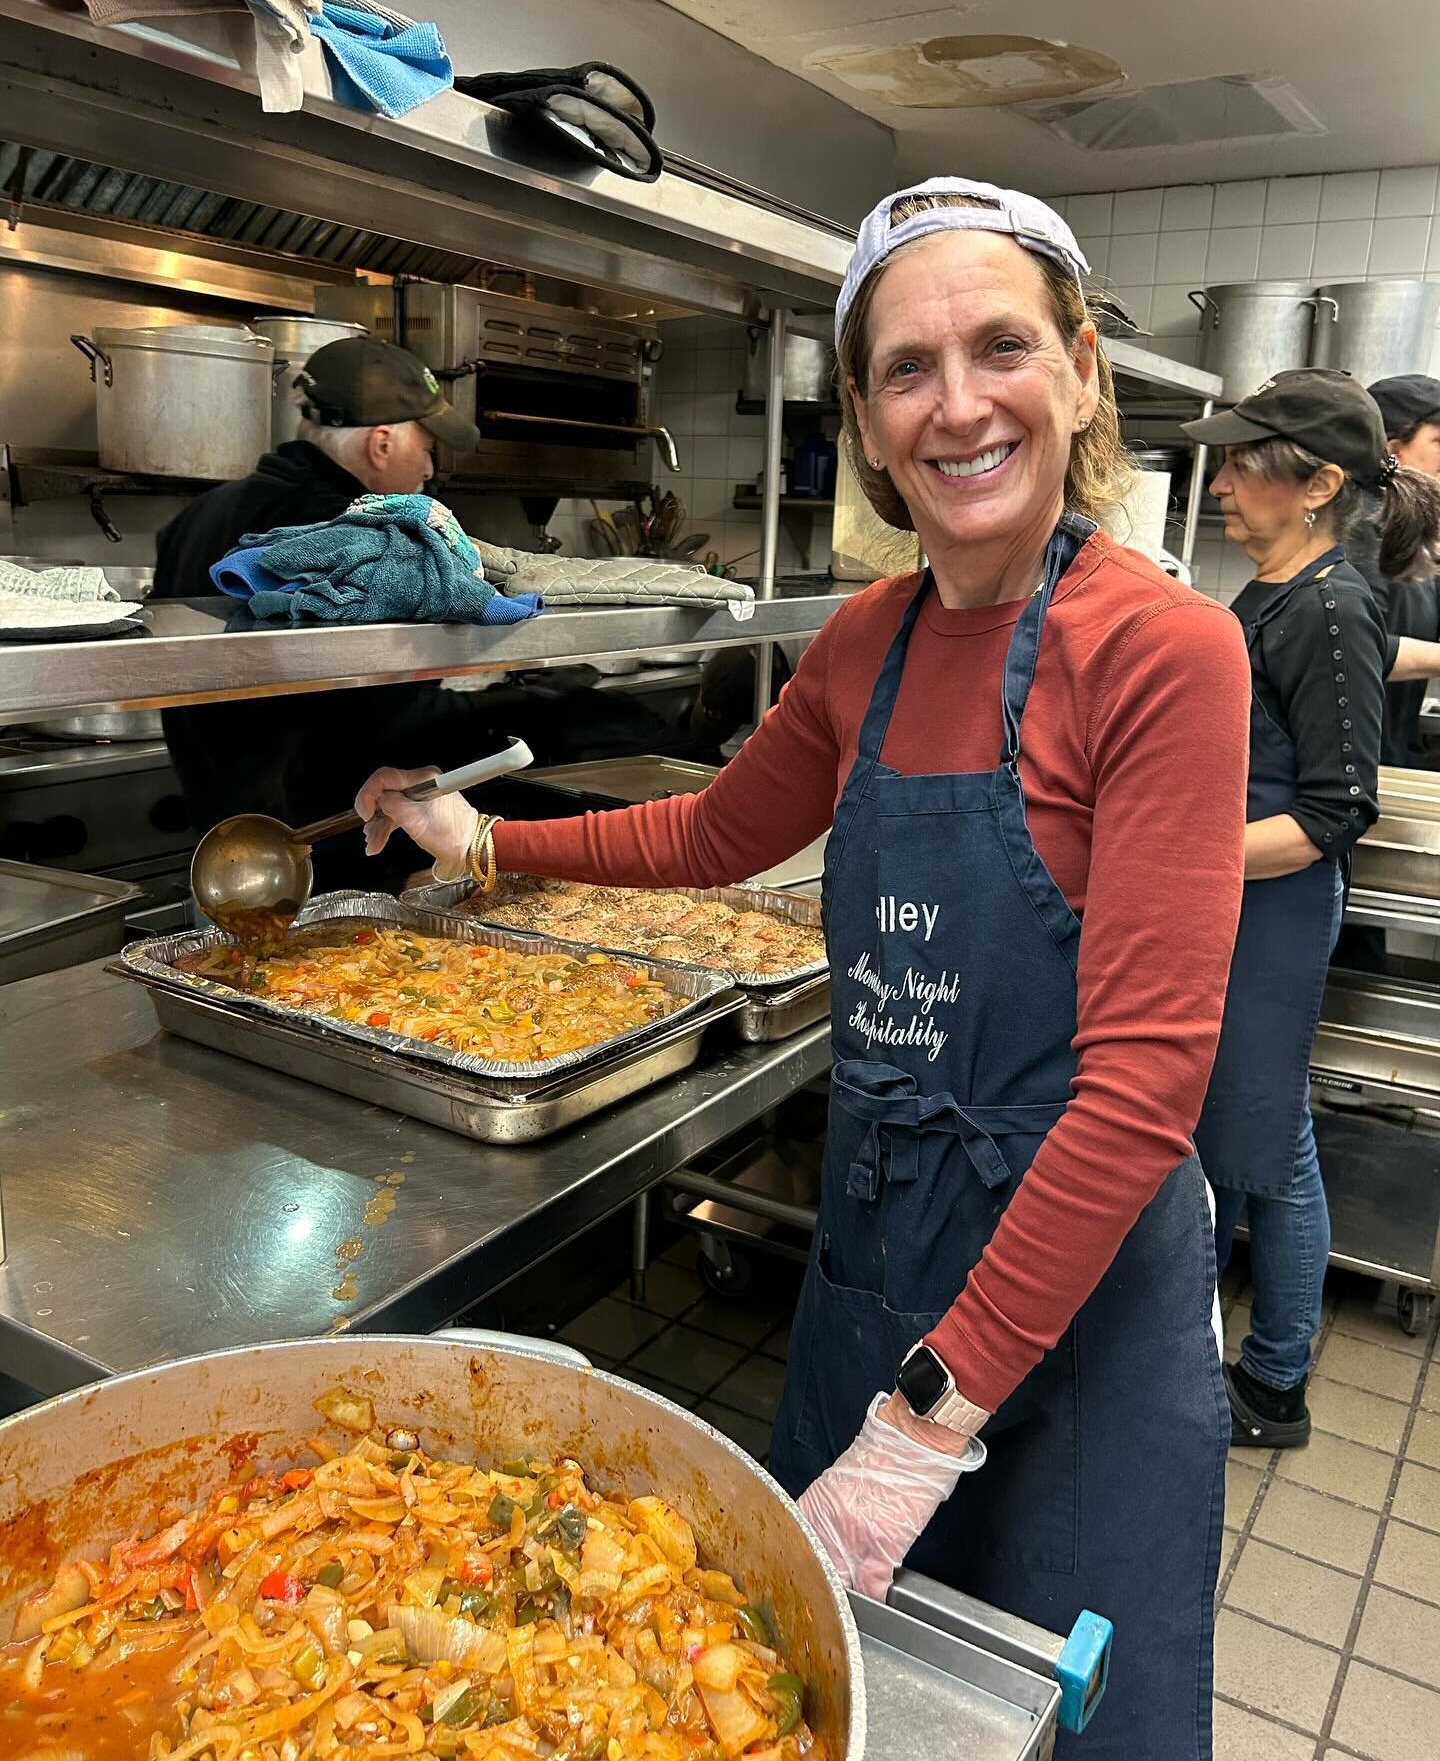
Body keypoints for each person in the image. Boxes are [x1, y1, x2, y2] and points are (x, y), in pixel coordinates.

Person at [358, 179, 1254, 1759]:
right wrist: (488, 849)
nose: (958, 404)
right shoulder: (867, 640)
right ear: (863, 413)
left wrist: (925, 1428)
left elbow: (1142, 1093)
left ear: (1084, 372)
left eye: (1001, 347)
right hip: (881, 1261)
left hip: (1070, 1308)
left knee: (1058, 1725)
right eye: (908, 369)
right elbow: (714, 834)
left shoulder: (1165, 651)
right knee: (822, 1706)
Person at [1181, 370, 1440, 1449]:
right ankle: (1198, 1342)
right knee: (1234, 1132)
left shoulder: (1329, 604)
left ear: (1322, 482)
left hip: (1274, 908)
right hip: (1241, 900)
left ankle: (1276, 1379)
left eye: (1247, 463)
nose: (1224, 483)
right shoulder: (1275, 592)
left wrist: (1177, 862)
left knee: (1273, 1138)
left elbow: (1338, 810)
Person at [154, 336, 493, 888]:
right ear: (382, 444)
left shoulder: (200, 513)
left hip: (232, 844)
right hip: (343, 839)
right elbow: (384, 711)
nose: (430, 469)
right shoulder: (358, 539)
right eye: (427, 447)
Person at [1364, 375, 1440, 766]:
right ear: (1394, 450)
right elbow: (1354, 648)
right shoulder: (1359, 533)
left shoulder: (1420, 544)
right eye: (1439, 442)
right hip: (1345, 767)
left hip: (1393, 757)